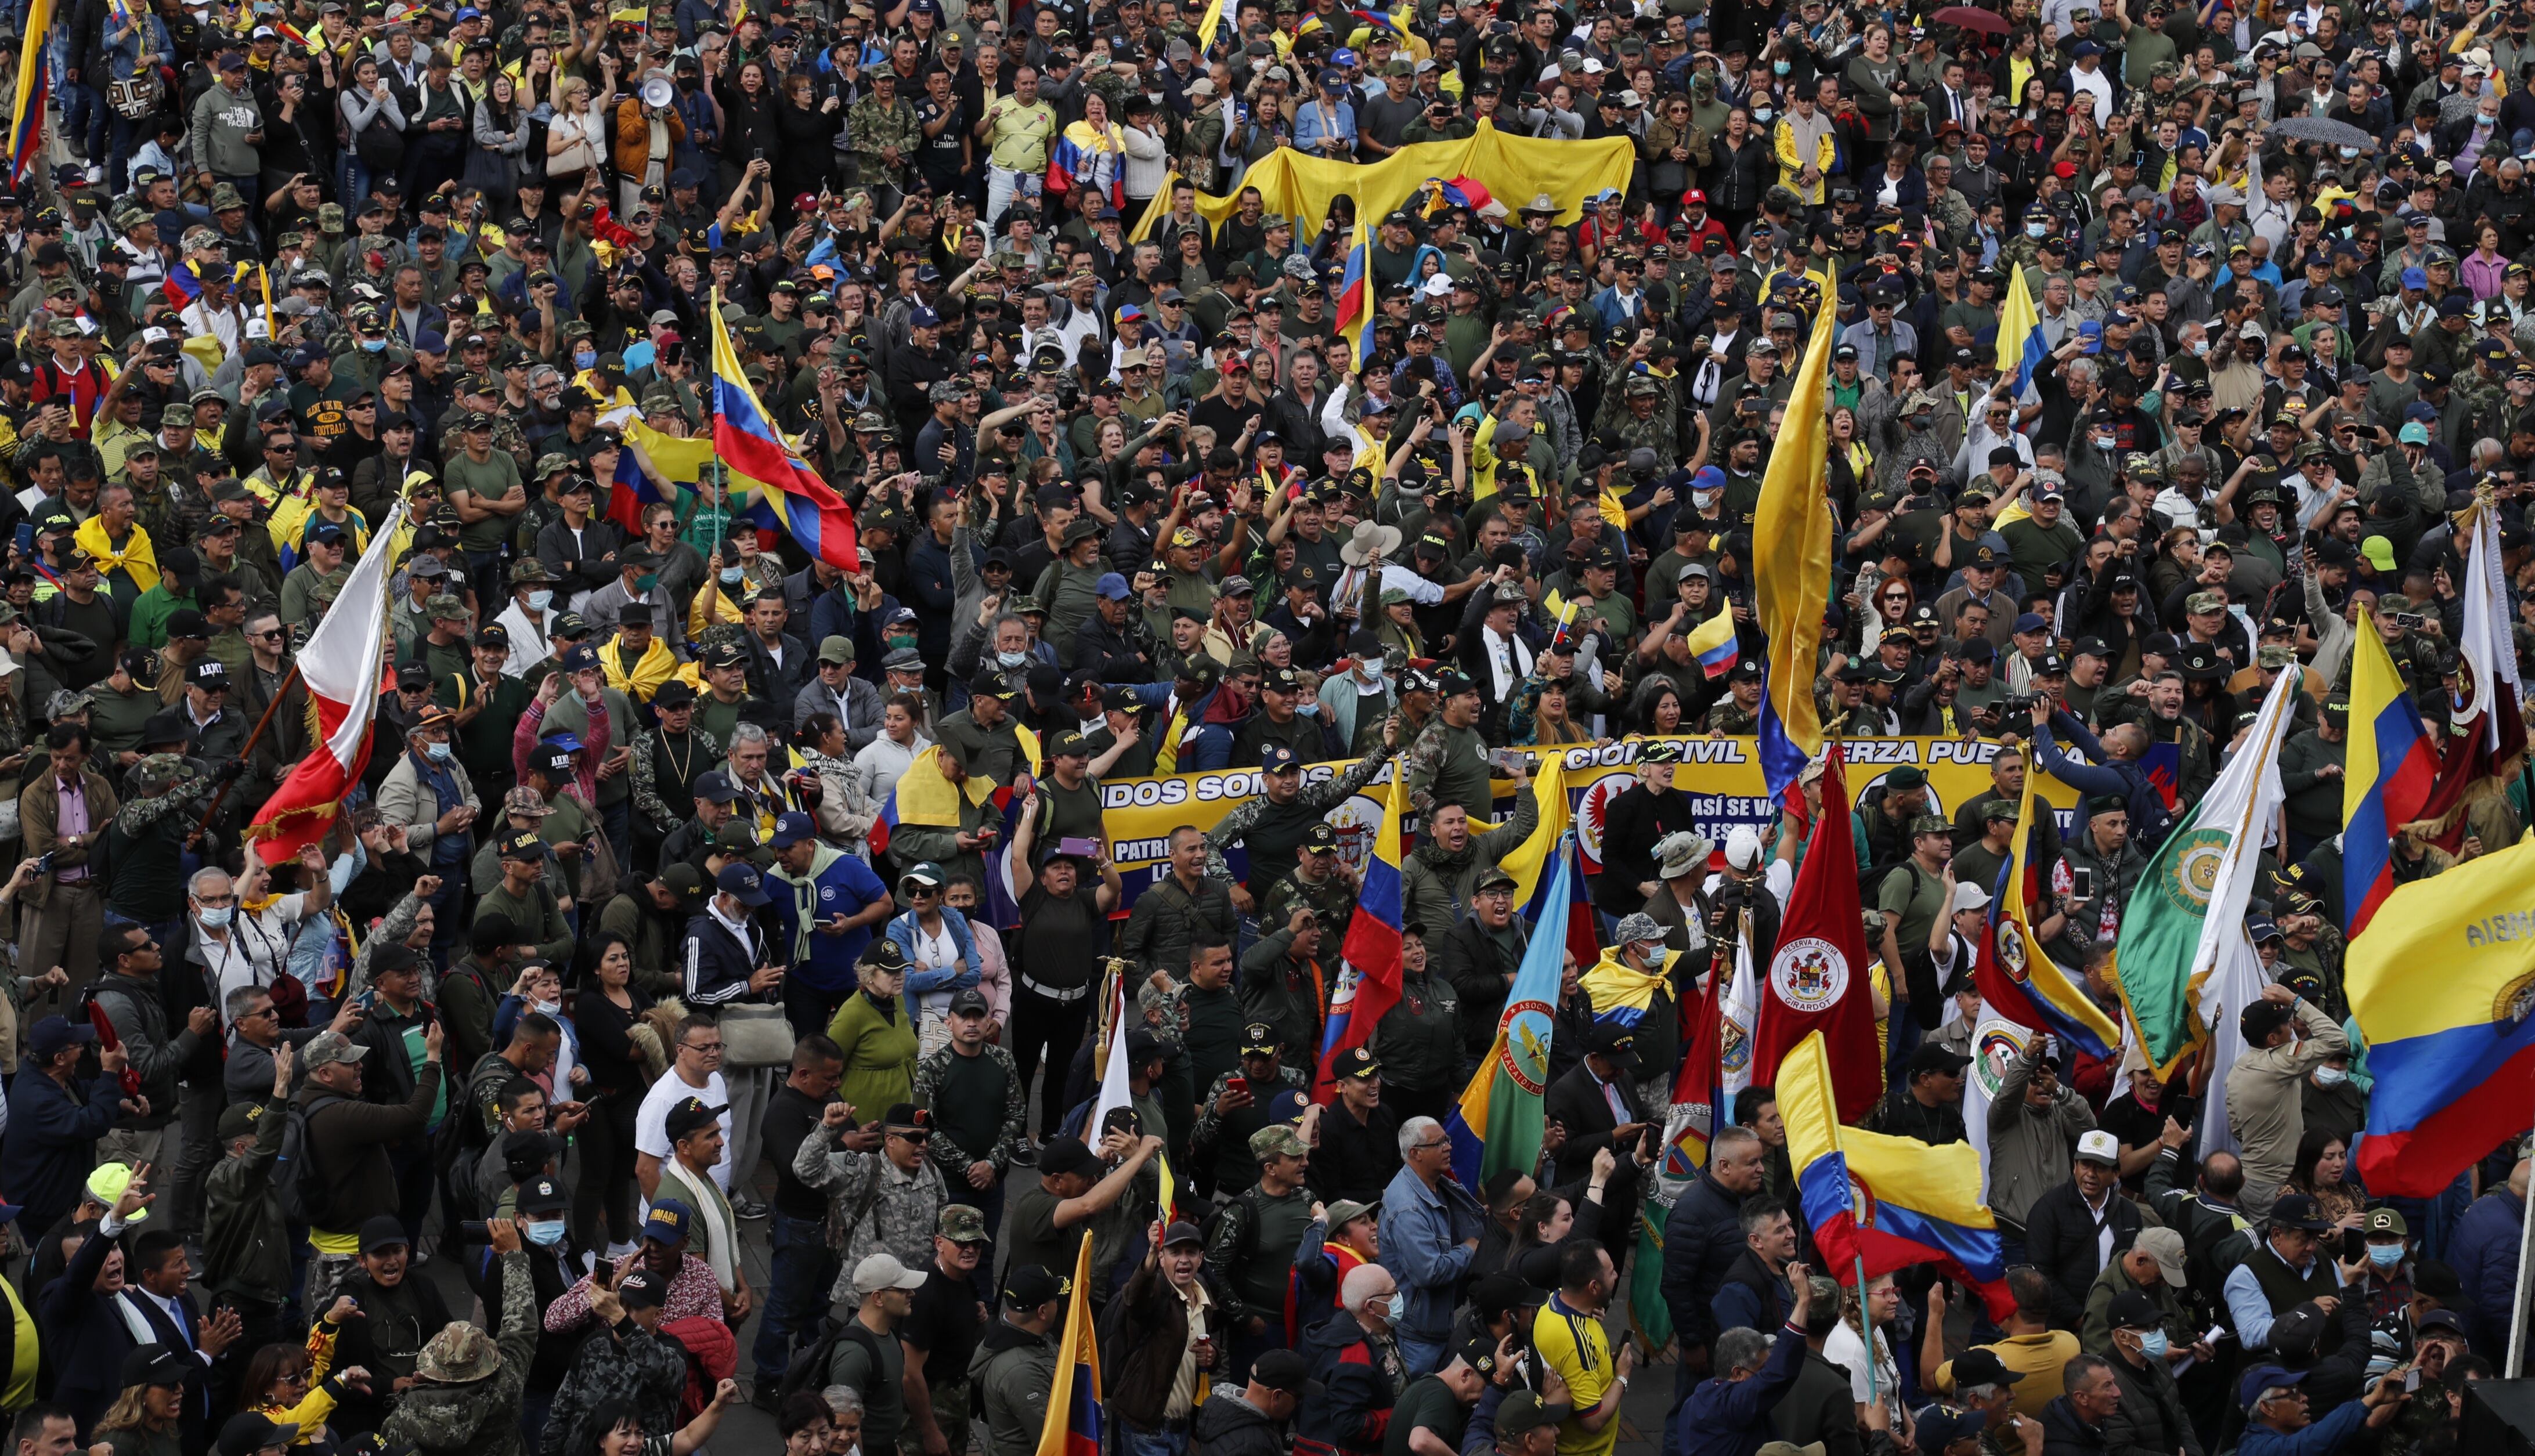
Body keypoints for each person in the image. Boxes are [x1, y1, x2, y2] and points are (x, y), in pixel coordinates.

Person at [1675, 1261, 1817, 1456]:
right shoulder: (1733, 1404)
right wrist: (1803, 1300)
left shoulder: (1698, 1397)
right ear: (1738, 1372)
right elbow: (1778, 1373)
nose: (1765, 1375)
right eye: (1762, 1370)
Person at [1381, 1116, 1485, 1373]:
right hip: (1418, 1338)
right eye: (1438, 1143)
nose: (1448, 1147)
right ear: (1415, 1153)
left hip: (1437, 1327)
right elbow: (1430, 1272)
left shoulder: (1435, 1183)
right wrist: (1469, 1249)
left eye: (1446, 1140)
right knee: (1424, 1402)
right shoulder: (1407, 1209)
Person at [825, 1252, 929, 1456]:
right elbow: (845, 1429)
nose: (912, 1294)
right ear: (878, 1298)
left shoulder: (886, 1333)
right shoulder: (854, 1354)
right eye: (902, 1289)